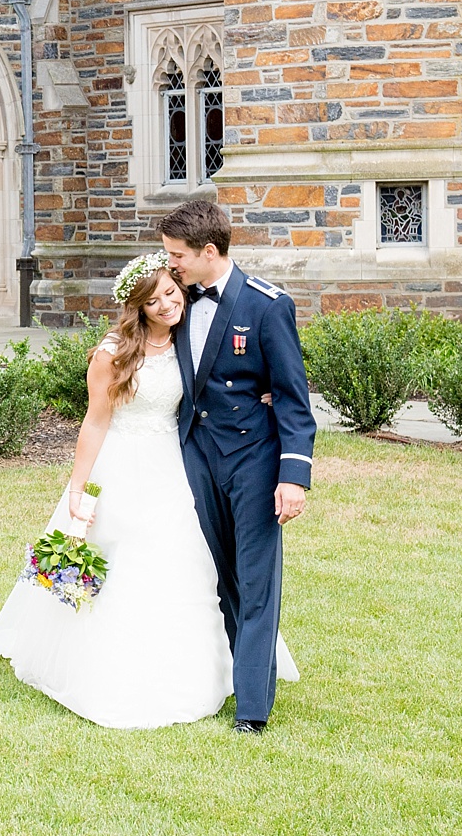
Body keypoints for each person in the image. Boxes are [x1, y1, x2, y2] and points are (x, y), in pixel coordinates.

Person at [0, 252, 297, 729]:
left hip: (179, 466)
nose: (167, 304)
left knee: (189, 564)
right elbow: (95, 420)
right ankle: (112, 671)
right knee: (122, 567)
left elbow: (233, 379)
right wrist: (78, 489)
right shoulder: (114, 352)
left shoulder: (194, 337)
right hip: (123, 465)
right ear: (137, 308)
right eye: (154, 300)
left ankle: (203, 672)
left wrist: (263, 393)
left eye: (171, 292)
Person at [159, 200, 316, 734]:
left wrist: (293, 477)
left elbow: (294, 399)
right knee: (217, 578)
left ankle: (251, 708)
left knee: (255, 582)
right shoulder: (172, 299)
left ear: (209, 251)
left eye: (177, 255)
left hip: (253, 461)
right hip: (194, 457)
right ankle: (223, 677)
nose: (170, 264)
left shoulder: (267, 306)